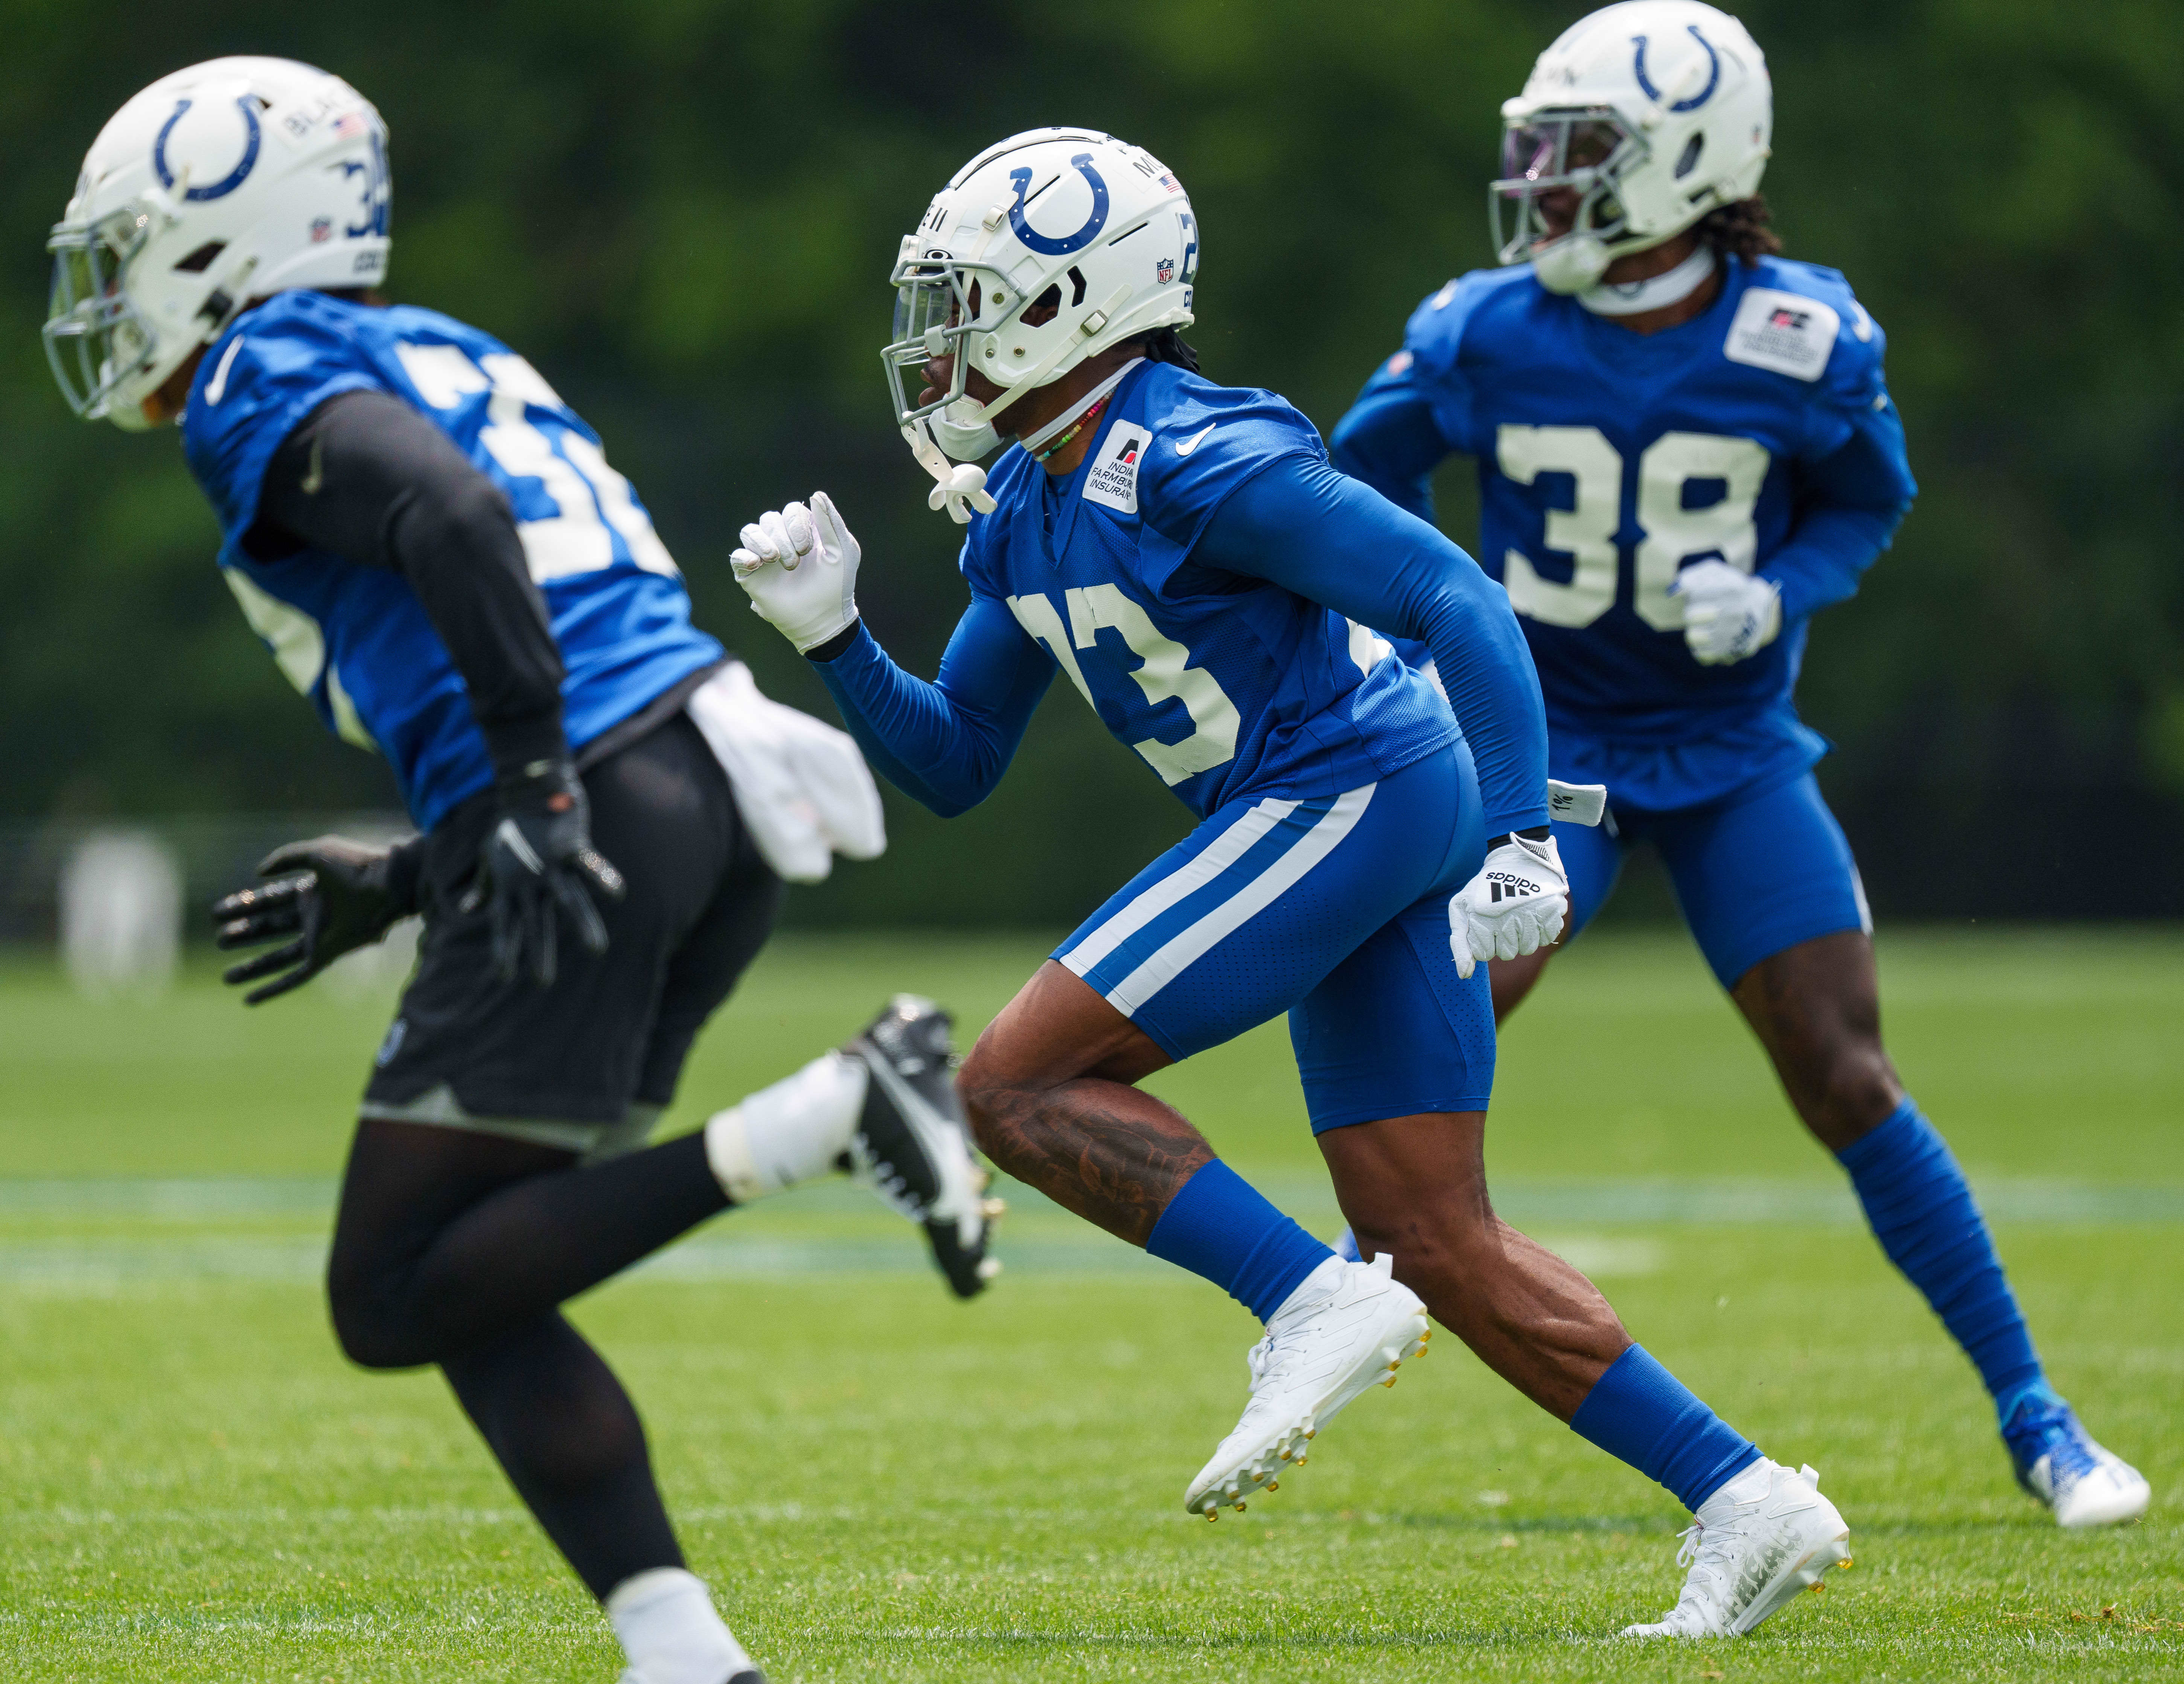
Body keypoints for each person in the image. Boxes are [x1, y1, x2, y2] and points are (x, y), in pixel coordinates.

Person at [729, 125, 1855, 1640]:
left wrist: (1524, 831)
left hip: (1357, 785)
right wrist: (833, 636)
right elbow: (955, 762)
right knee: (1435, 1237)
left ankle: (1301, 1298)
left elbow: (1447, 594)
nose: (938, 341)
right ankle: (1745, 1498)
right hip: (1342, 800)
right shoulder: (1026, 499)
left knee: (1005, 1085)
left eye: (969, 302)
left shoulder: (1191, 453)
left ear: (1069, 305)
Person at [44, 57, 998, 1684]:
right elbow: (550, 596)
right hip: (694, 785)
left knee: (391, 1289)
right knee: (485, 1259)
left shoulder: (256, 368)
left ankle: (837, 1111)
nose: (112, 285)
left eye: (131, 243)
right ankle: (682, 1652)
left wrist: (536, 793)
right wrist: (425, 869)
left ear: (224, 237)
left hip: (594, 798)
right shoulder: (450, 345)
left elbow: (458, 521)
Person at [1328, 0, 2148, 1532]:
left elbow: (1862, 504)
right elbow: (1338, 496)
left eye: (1580, 158)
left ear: (1688, 165)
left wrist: (1781, 592)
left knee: (1843, 1075)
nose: (1544, 188)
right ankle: (1341, 1308)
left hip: (1725, 754)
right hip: (1539, 761)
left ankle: (2036, 1416)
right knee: (1432, 1026)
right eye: (1540, 153)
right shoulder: (1478, 329)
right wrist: (1413, 650)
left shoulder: (1802, 332)